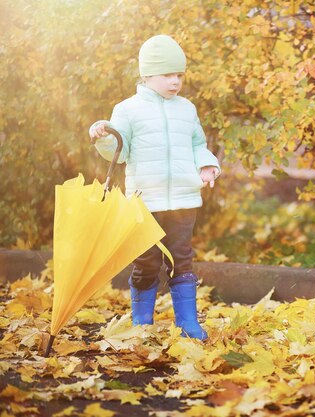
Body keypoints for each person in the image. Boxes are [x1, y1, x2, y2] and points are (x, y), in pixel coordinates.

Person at [89, 35, 220, 340]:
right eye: (167, 75)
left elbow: (198, 144)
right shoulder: (127, 110)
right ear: (147, 75)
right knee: (146, 261)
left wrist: (207, 164)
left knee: (181, 259)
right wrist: (104, 138)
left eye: (180, 75)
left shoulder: (186, 109)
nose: (175, 82)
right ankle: (142, 324)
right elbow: (120, 154)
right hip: (144, 202)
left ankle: (187, 323)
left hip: (184, 201)